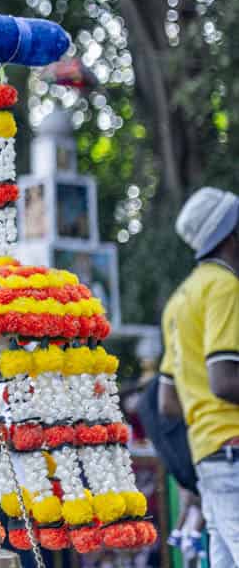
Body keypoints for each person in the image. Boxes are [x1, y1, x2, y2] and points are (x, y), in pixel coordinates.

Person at [159, 186, 239, 568]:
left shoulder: (179, 300)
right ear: (231, 234)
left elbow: (167, 402)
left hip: (208, 455)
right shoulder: (225, 287)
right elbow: (223, 381)